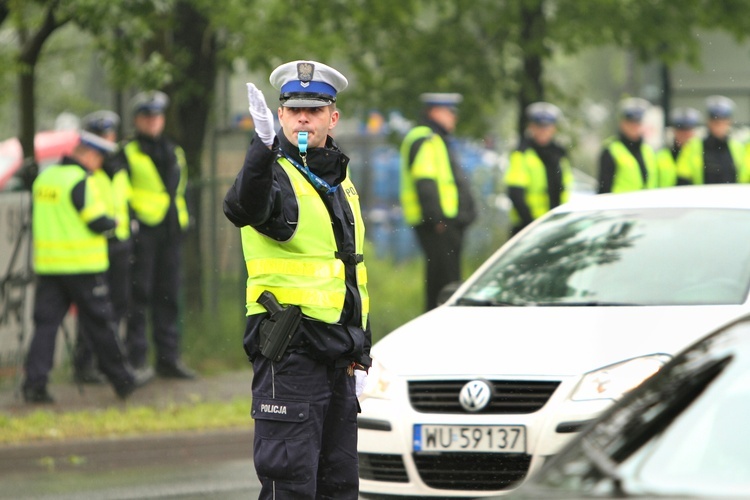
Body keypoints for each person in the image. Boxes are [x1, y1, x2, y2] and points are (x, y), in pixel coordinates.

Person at [223, 60, 372, 498]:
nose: (302, 117)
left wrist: (362, 350)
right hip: (291, 359)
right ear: (281, 115)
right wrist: (261, 149)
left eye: (313, 109)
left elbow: (353, 276)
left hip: (339, 361)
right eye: (292, 110)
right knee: (290, 489)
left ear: (333, 117)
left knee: (339, 487)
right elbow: (244, 206)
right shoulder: (273, 175)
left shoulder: (340, 184)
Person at [21, 131, 145, 403]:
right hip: (83, 267)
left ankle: (34, 384)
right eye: (99, 158)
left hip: (50, 267)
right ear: (89, 154)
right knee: (101, 324)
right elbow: (95, 220)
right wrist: (113, 223)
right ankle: (123, 380)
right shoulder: (80, 181)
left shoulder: (44, 179)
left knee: (45, 326)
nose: (99, 165)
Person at [124, 91, 195, 380]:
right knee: (139, 296)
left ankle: (168, 359)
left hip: (170, 230)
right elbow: (120, 190)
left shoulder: (174, 151)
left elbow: (182, 188)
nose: (153, 122)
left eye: (157, 116)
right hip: (143, 231)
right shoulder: (127, 152)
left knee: (168, 297)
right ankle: (137, 359)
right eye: (147, 117)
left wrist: (186, 218)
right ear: (138, 120)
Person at [72, 110, 138, 385]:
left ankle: (107, 363)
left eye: (110, 135)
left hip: (119, 244)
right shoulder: (83, 171)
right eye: (102, 135)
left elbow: (125, 200)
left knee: (119, 305)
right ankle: (84, 364)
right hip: (94, 246)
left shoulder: (119, 167)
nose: (107, 141)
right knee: (93, 308)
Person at [400, 92, 476, 311]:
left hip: (443, 223)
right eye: (450, 112)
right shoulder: (425, 138)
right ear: (434, 112)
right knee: (444, 284)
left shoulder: (435, 138)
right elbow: (425, 183)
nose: (454, 118)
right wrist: (437, 220)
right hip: (438, 225)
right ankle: (439, 329)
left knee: (444, 281)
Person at [504, 102, 574, 235]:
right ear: (531, 127)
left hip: (555, 225)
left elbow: (565, 190)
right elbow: (516, 193)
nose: (543, 131)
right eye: (539, 126)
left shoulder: (559, 154)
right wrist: (531, 224)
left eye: (547, 127)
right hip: (527, 228)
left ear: (554, 128)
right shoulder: (521, 154)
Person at [676, 95, 749, 185]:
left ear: (729, 122)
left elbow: (745, 178)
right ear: (708, 122)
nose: (719, 126)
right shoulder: (692, 147)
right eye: (716, 122)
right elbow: (683, 178)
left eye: (723, 122)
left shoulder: (738, 147)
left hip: (733, 197)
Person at [597, 97, 657, 194]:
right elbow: (604, 188)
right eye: (630, 123)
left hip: (646, 206)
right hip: (620, 207)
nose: (634, 127)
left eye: (637, 123)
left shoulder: (648, 151)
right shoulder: (611, 149)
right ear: (622, 123)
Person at [656, 107, 701, 188]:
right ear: (674, 131)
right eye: (681, 130)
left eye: (687, 130)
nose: (684, 135)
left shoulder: (704, 153)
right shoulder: (662, 155)